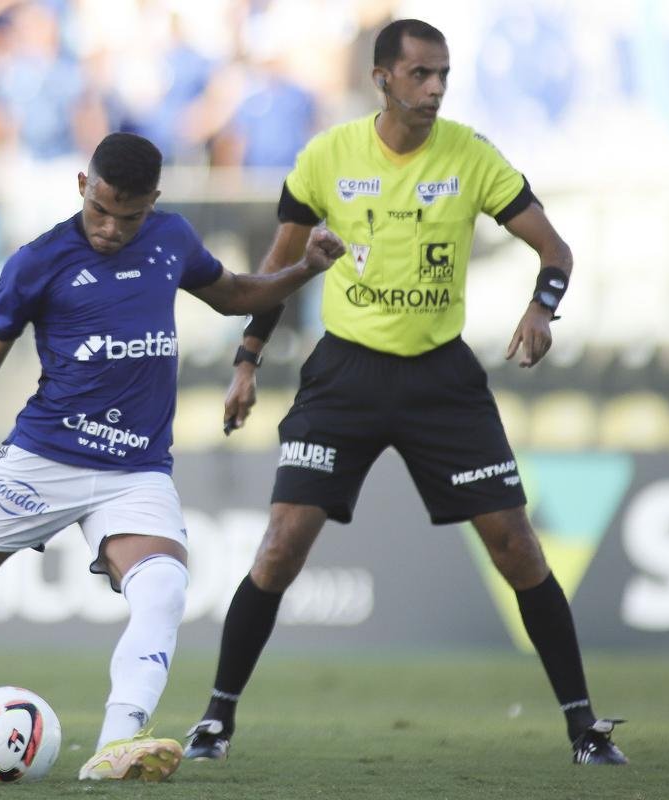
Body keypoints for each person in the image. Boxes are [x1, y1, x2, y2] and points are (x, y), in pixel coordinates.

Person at [0, 132, 345, 782]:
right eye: (101, 210)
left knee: (163, 587)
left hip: (136, 469)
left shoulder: (171, 239)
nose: (112, 228)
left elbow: (235, 296)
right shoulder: (38, 262)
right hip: (45, 460)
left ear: (154, 202)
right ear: (83, 186)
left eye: (130, 216)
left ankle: (115, 747)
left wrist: (305, 268)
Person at [183, 19, 627, 766]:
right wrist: (247, 361)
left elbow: (555, 249)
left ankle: (584, 729)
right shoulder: (326, 156)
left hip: (438, 379)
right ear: (381, 78)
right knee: (280, 547)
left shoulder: (471, 154)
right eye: (420, 74)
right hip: (344, 377)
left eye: (442, 75)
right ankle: (215, 721)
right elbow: (275, 273)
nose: (434, 88)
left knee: (517, 547)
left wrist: (540, 309)